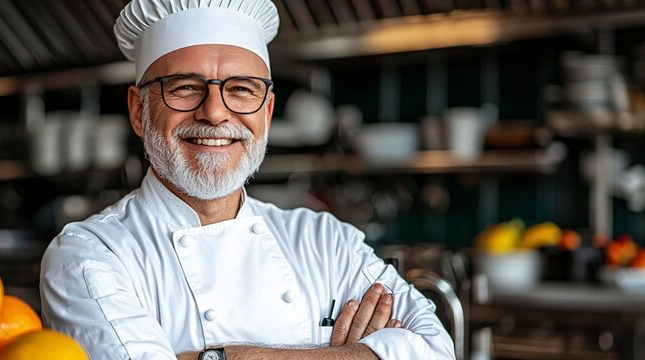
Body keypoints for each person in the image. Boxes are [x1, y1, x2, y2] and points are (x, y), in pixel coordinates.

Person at [40, 1, 455, 359]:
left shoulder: (326, 241)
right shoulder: (89, 255)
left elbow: (437, 350)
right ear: (138, 110)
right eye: (185, 87)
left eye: (241, 89)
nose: (216, 113)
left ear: (268, 112)